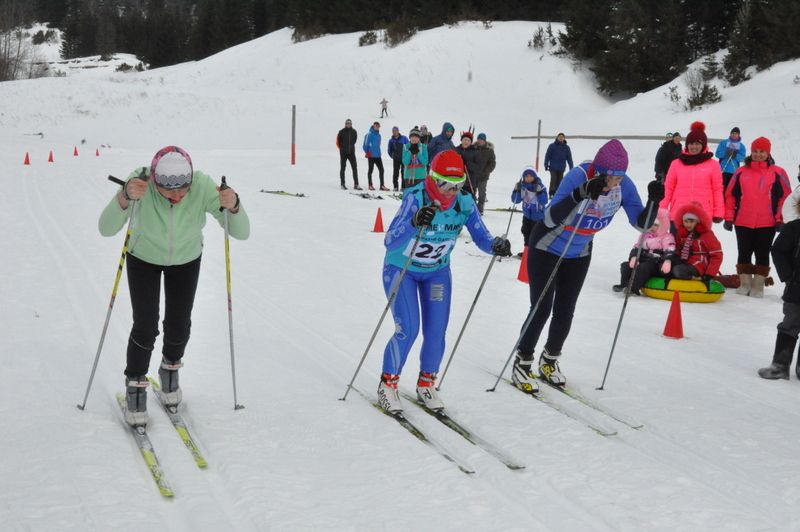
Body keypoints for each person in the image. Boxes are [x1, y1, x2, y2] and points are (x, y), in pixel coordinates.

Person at [98, 146, 250, 426]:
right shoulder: (139, 182)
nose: (177, 196)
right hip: (143, 257)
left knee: (179, 323)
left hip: (186, 258)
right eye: (169, 191)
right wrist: (124, 196)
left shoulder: (203, 185)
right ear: (155, 182)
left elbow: (241, 232)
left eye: (183, 190)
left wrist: (235, 204)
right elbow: (106, 228)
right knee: (145, 324)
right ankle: (135, 382)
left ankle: (170, 369)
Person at [512, 140, 663, 393]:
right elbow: (548, 218)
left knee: (566, 309)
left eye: (619, 178)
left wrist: (653, 201)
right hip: (547, 246)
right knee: (542, 307)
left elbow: (642, 224)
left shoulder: (624, 185)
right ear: (599, 170)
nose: (614, 183)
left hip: (579, 250)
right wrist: (579, 194)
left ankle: (550, 360)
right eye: (609, 178)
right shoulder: (577, 176)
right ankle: (523, 360)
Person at [377, 150, 513, 414]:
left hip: (436, 272)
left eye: (457, 185)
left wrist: (495, 245)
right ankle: (388, 383)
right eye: (445, 185)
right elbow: (390, 240)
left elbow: (481, 237)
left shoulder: (464, 202)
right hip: (401, 269)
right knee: (409, 328)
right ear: (433, 179)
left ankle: (426, 383)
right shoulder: (416, 197)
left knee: (436, 331)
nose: (451, 192)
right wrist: (414, 223)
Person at [724, 136, 791, 297]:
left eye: (762, 151)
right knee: (744, 252)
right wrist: (729, 217)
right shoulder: (740, 172)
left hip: (767, 222)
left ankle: (758, 286)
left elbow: (785, 197)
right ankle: (745, 283)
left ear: (768, 153)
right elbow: (730, 195)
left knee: (762, 253)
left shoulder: (778, 172)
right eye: (755, 151)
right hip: (743, 220)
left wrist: (780, 218)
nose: (758, 154)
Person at [758, 205, 800, 379]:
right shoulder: (794, 228)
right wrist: (788, 275)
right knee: (790, 324)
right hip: (797, 288)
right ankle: (780, 365)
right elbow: (778, 251)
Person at [660, 121, 725, 228]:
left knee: (699, 245)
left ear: (703, 145)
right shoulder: (676, 164)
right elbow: (668, 188)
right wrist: (662, 208)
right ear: (687, 145)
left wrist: (718, 212)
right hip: (678, 214)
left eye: (697, 143)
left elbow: (717, 189)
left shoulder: (713, 165)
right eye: (691, 143)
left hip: (702, 215)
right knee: (677, 244)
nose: (694, 147)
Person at [612, 208, 675, 295]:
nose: (653, 227)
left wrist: (667, 261)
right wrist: (634, 257)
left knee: (643, 267)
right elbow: (636, 247)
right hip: (643, 260)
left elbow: (670, 250)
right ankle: (624, 285)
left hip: (656, 264)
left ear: (662, 225)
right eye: (651, 224)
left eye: (656, 225)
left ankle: (634, 289)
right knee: (625, 265)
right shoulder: (644, 235)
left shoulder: (666, 237)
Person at [660, 202, 723, 282]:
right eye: (686, 221)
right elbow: (678, 250)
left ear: (698, 221)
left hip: (700, 265)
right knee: (665, 268)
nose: (688, 224)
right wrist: (670, 260)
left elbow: (717, 255)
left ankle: (697, 280)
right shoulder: (682, 233)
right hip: (685, 262)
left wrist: (710, 274)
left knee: (678, 271)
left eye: (691, 221)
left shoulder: (706, 234)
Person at [511, 166, 548, 247]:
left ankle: (534, 253)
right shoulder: (522, 187)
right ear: (523, 177)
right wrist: (516, 190)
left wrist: (539, 192)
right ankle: (526, 252)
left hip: (538, 217)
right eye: (526, 176)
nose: (529, 178)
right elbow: (515, 201)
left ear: (534, 177)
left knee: (535, 235)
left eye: (531, 176)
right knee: (526, 232)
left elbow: (544, 201)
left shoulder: (540, 186)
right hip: (527, 215)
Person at [544, 133, 574, 198]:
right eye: (560, 137)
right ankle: (551, 193)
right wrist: (546, 164)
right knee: (553, 180)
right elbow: (547, 156)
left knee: (560, 181)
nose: (561, 138)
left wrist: (571, 167)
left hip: (561, 168)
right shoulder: (552, 146)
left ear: (564, 138)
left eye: (562, 137)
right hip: (553, 167)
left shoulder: (566, 148)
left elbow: (569, 158)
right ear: (557, 138)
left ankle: (557, 193)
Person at [473, 132, 496, 214]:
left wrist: (487, 171)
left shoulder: (489, 151)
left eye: (482, 140)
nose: (480, 141)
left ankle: (480, 209)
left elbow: (492, 163)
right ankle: (473, 208)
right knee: (472, 192)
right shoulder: (473, 148)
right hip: (474, 175)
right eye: (479, 139)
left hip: (483, 176)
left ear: (485, 141)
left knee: (482, 193)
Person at [336, 118, 361, 190]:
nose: (348, 124)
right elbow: (338, 142)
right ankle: (342, 184)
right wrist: (342, 149)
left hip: (351, 153)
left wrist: (350, 148)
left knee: (354, 168)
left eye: (349, 123)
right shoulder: (341, 132)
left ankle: (356, 184)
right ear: (345, 124)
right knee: (343, 168)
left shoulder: (354, 132)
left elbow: (354, 141)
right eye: (347, 123)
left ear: (351, 124)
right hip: (343, 153)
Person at [454, 131, 480, 199]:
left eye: (468, 140)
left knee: (469, 201)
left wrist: (466, 163)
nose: (466, 142)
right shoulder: (456, 150)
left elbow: (478, 168)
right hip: (456, 181)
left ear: (471, 142)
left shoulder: (475, 152)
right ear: (461, 140)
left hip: (469, 182)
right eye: (465, 140)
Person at [402, 126, 428, 192]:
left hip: (421, 177)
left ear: (419, 138)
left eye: (416, 137)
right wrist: (410, 152)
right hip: (408, 177)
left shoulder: (423, 147)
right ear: (409, 137)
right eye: (412, 136)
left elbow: (425, 162)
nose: (414, 138)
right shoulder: (405, 147)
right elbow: (405, 162)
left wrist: (418, 153)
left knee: (420, 198)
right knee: (409, 198)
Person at [362, 121, 386, 191]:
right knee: (370, 170)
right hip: (371, 156)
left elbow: (378, 146)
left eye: (378, 126)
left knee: (381, 170)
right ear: (373, 126)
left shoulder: (379, 136)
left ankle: (382, 186)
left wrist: (379, 152)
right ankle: (370, 185)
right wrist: (367, 152)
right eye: (376, 126)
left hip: (378, 156)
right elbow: (365, 145)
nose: (377, 127)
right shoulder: (369, 134)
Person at [387, 126, 408, 192]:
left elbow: (408, 147)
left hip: (403, 159)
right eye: (393, 131)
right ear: (392, 132)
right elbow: (389, 150)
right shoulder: (391, 140)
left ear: (398, 131)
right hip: (396, 159)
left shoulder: (404, 138)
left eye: (396, 130)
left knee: (403, 173)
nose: (395, 132)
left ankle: (403, 187)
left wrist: (407, 156)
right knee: (395, 173)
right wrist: (392, 156)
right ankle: (395, 187)